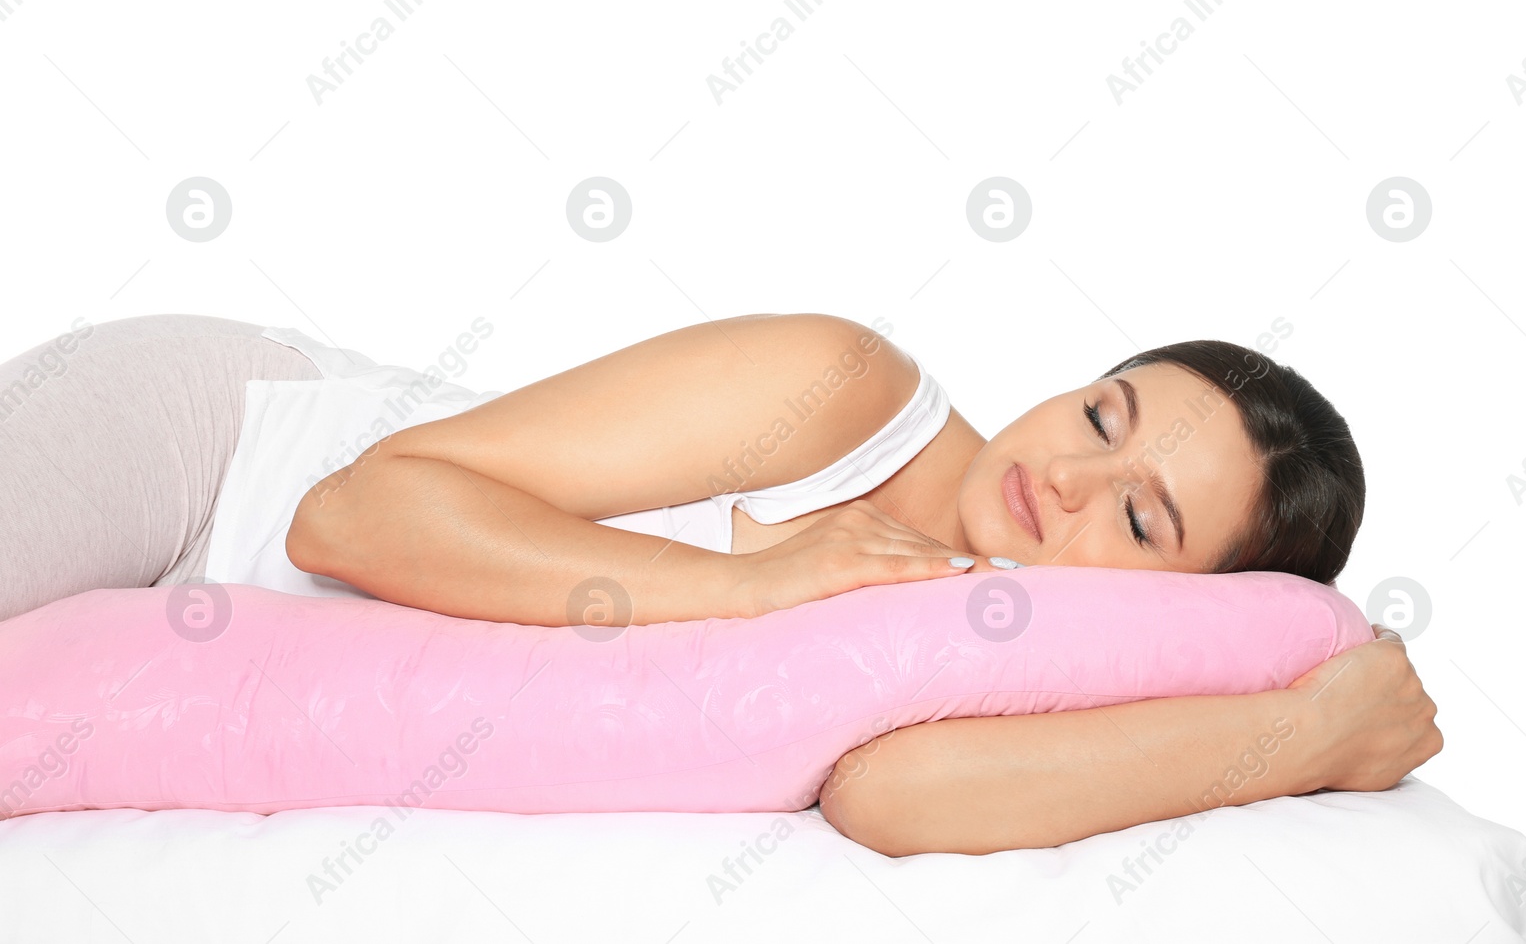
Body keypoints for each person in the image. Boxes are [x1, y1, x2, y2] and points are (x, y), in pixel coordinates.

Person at [0, 311, 1440, 856]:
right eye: (1104, 417)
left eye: (1138, 520)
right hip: (215, 450)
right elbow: (356, 512)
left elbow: (895, 801)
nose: (1064, 477)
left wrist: (1304, 737)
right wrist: (752, 583)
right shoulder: (842, 393)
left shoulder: (980, 629)